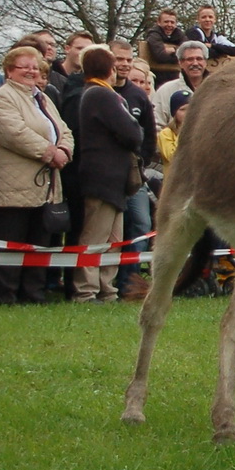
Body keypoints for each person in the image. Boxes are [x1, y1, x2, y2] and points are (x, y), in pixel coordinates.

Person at [0, 45, 73, 305]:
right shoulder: (2, 97)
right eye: (25, 67)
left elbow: (64, 130)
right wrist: (50, 153)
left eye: (35, 67)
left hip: (43, 187)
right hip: (11, 187)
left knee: (38, 242)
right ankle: (5, 295)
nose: (31, 72)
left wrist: (65, 150)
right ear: (9, 70)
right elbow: (14, 134)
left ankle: (33, 294)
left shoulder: (43, 98)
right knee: (11, 242)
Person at [71, 45, 143, 303]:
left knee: (113, 238)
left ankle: (107, 288)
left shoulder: (101, 94)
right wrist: (134, 129)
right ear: (109, 69)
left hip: (115, 179)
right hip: (102, 176)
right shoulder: (101, 95)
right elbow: (132, 133)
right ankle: (86, 290)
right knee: (95, 236)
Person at [154, 41, 209, 130]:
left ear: (205, 62)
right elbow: (156, 125)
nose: (195, 63)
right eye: (190, 59)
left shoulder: (217, 90)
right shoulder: (165, 91)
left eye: (199, 59)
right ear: (180, 63)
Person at [143, 8, 185, 85]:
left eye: (172, 22)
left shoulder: (179, 34)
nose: (169, 25)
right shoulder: (154, 34)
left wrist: (174, 49)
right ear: (159, 22)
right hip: (157, 77)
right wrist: (178, 56)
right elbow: (160, 56)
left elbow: (187, 50)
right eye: (166, 22)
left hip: (175, 76)